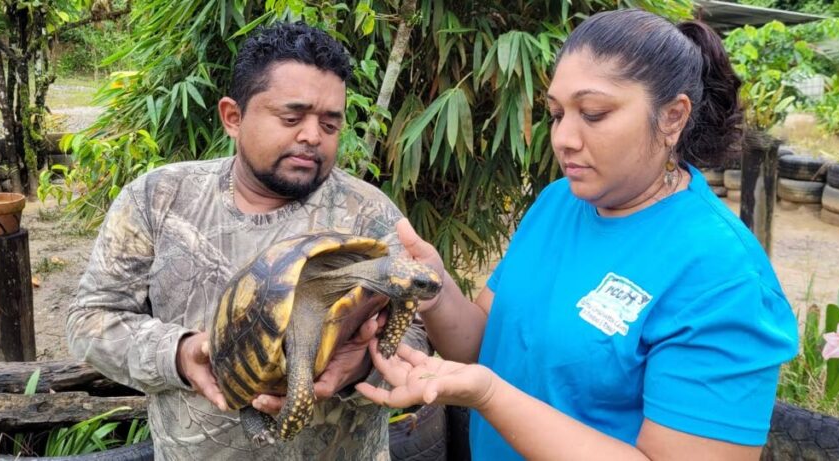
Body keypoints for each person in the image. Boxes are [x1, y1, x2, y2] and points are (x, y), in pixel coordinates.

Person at [356, 9, 799, 460]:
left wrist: (490, 396)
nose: (564, 138)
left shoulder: (722, 275)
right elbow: (486, 344)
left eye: (593, 113)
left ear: (672, 117)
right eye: (556, 113)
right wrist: (434, 290)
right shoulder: (558, 203)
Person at [66, 22, 427, 460]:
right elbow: (89, 321)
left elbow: (417, 334)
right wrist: (178, 354)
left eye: (330, 124)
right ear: (232, 117)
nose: (312, 136)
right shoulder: (158, 200)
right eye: (292, 118)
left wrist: (362, 366)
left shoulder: (368, 213)